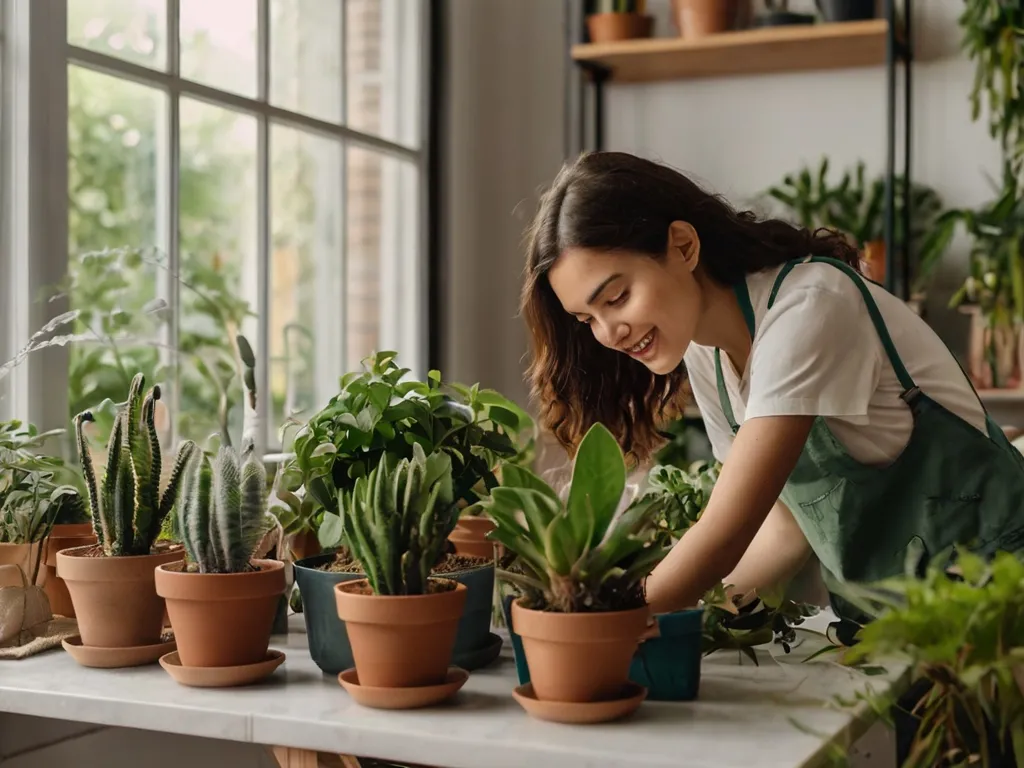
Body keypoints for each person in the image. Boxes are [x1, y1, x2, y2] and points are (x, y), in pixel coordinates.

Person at [520, 149, 1024, 626]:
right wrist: (698, 620)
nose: (609, 334)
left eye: (617, 297)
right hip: (903, 623)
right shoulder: (707, 355)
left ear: (683, 245)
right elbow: (781, 529)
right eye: (587, 319)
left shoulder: (809, 307)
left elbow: (726, 529)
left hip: (998, 599)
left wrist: (604, 626)